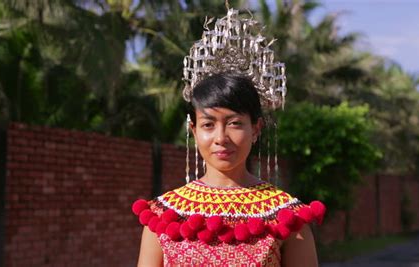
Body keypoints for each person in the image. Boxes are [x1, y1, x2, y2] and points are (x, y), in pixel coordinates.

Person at [131, 7, 326, 267]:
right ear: (194, 130)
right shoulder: (163, 217)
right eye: (208, 124)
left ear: (256, 129)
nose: (221, 137)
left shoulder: (288, 218)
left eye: (234, 123)